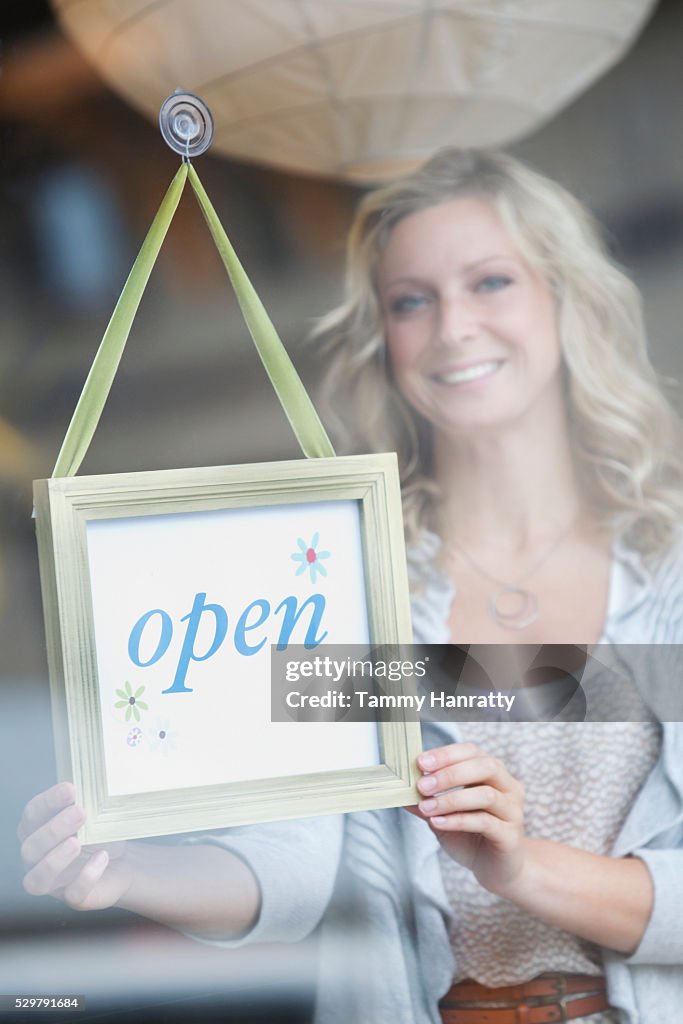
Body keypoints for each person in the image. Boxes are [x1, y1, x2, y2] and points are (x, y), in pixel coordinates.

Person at [18, 149, 683, 1023]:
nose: (451, 327)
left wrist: (519, 868)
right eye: (411, 300)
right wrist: (127, 872)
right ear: (383, 336)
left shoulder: (668, 577)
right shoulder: (343, 582)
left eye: (489, 282)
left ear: (564, 299)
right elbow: (289, 871)